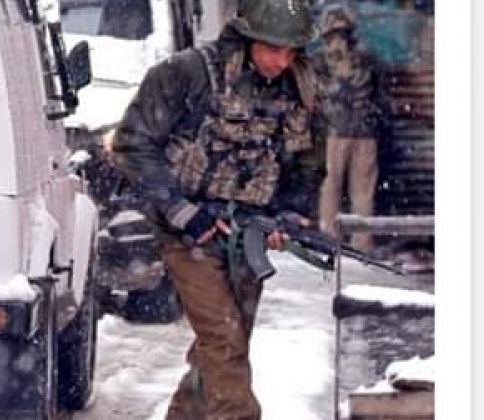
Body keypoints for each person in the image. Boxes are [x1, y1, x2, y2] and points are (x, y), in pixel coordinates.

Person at [110, 0, 325, 418]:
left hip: (248, 233)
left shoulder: (299, 84)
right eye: (273, 48)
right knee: (224, 341)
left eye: (291, 51)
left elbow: (306, 161)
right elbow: (132, 144)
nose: (282, 61)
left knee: (224, 347)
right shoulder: (187, 73)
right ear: (246, 38)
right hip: (188, 231)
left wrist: (288, 214)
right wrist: (181, 211)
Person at [315, 5, 390, 253]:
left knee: (341, 187)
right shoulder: (364, 58)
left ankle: (339, 241)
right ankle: (350, 242)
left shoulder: (324, 60)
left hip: (343, 131)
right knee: (350, 189)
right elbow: (380, 96)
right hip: (348, 131)